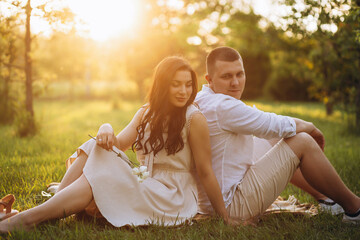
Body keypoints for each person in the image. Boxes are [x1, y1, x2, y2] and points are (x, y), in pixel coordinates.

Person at [0, 56, 232, 233]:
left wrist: (225, 216)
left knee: (102, 175)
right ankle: (43, 212)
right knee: (95, 147)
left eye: (188, 85)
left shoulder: (194, 118)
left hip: (172, 196)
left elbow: (205, 171)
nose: (184, 91)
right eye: (176, 84)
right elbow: (117, 144)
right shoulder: (147, 112)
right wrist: (106, 127)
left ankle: (26, 219)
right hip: (146, 182)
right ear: (162, 85)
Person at [194, 46, 360, 223]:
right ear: (210, 80)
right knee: (301, 141)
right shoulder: (223, 106)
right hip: (231, 206)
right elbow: (272, 124)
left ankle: (327, 200)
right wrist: (311, 127)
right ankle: (355, 209)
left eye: (239, 74)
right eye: (226, 76)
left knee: (274, 138)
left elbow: (265, 125)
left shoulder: (202, 97)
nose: (235, 82)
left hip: (209, 201)